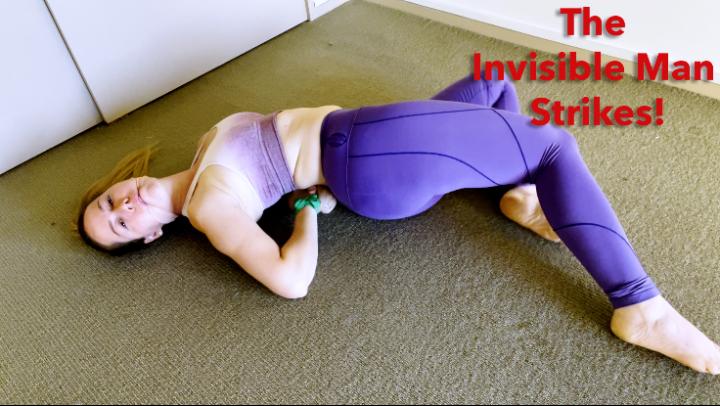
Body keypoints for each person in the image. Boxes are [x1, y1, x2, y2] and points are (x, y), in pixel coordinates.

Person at [73, 72, 720, 374]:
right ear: (152, 235)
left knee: (493, 84)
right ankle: (640, 306)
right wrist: (308, 210)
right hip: (369, 160)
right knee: (553, 147)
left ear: (117, 183)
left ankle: (519, 199)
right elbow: (289, 280)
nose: (124, 208)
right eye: (123, 226)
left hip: (369, 136)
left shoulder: (202, 151)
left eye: (109, 204)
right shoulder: (208, 209)